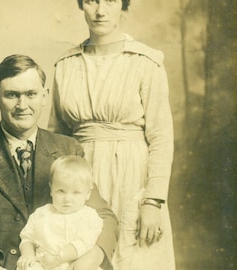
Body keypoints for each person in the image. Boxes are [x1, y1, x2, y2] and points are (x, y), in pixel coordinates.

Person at [0, 54, 118, 270]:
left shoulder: (68, 148)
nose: (23, 105)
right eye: (12, 95)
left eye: (31, 94)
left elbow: (104, 217)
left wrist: (88, 260)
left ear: (44, 95)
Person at [48, 0, 175, 269]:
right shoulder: (65, 65)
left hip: (132, 179)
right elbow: (55, 137)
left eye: (111, 0)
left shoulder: (145, 62)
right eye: (93, 1)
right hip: (80, 180)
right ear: (82, 5)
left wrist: (153, 201)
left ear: (124, 5)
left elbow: (161, 137)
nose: (100, 11)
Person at [17, 155, 103, 270]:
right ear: (51, 189)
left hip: (75, 264)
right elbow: (27, 238)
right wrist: (28, 254)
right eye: (61, 191)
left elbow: (84, 243)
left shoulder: (89, 217)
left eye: (76, 193)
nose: (67, 199)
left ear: (88, 193)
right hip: (42, 264)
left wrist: (58, 258)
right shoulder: (41, 214)